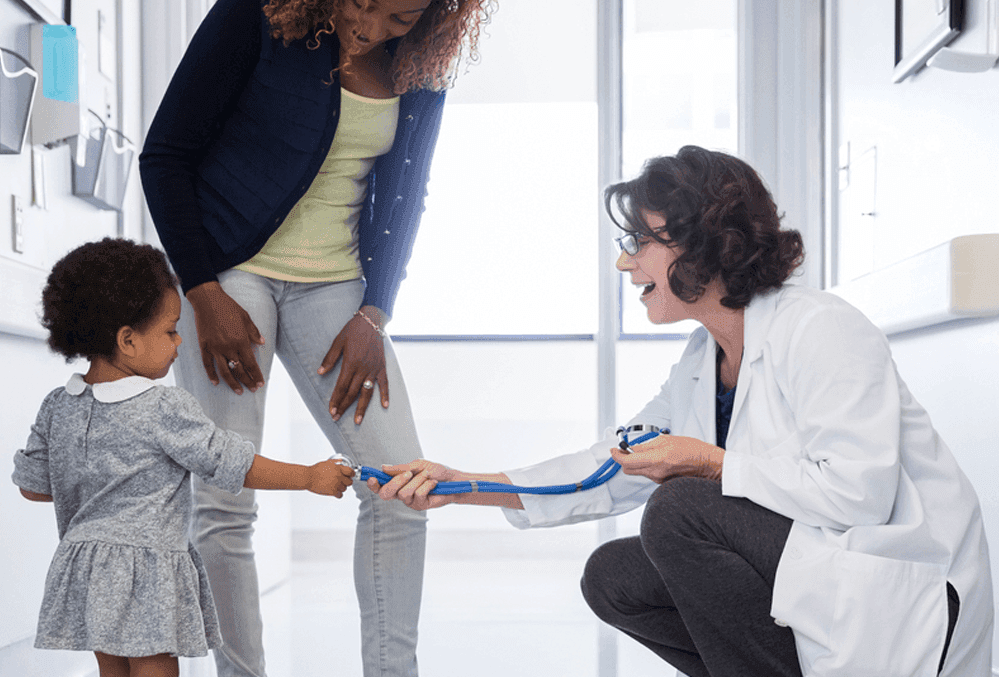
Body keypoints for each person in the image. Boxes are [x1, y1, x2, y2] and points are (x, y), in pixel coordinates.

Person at [368, 146, 994, 677]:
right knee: (613, 576)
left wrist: (712, 463)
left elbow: (857, 495)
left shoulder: (821, 329)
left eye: (639, 241)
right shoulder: (703, 358)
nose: (624, 261)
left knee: (681, 510)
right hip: (824, 583)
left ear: (704, 244)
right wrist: (471, 486)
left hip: (913, 597)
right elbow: (613, 464)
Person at [138, 1, 493, 675]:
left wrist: (374, 313)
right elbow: (166, 156)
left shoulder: (422, 60)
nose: (373, 28)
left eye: (400, 16)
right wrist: (202, 290)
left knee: (401, 487)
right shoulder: (256, 15)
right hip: (229, 272)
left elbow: (407, 191)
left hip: (337, 288)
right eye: (364, 5)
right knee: (225, 495)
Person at [12, 238, 355, 677]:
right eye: (171, 330)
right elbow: (232, 463)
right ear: (128, 341)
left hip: (85, 568)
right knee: (155, 667)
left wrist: (99, 499)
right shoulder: (163, 407)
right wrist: (309, 476)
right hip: (147, 569)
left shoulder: (58, 405)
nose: (179, 343)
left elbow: (33, 488)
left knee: (111, 670)